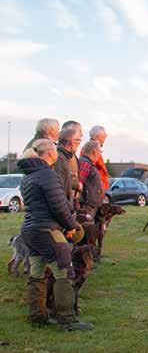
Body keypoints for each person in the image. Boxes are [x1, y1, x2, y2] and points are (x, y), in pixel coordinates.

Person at [19, 139, 91, 330]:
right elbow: (58, 205)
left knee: (36, 273)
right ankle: (66, 320)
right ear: (51, 153)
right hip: (47, 230)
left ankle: (37, 316)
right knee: (64, 271)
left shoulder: (28, 176)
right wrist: (70, 226)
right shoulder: (47, 174)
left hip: (30, 231)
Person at [53, 128, 83, 207]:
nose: (79, 144)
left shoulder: (64, 157)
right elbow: (59, 187)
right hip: (62, 206)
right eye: (79, 141)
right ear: (72, 141)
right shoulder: (60, 159)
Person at [88, 126, 110, 191]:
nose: (106, 136)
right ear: (97, 136)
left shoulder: (92, 147)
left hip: (98, 189)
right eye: (103, 135)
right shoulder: (91, 149)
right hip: (95, 189)